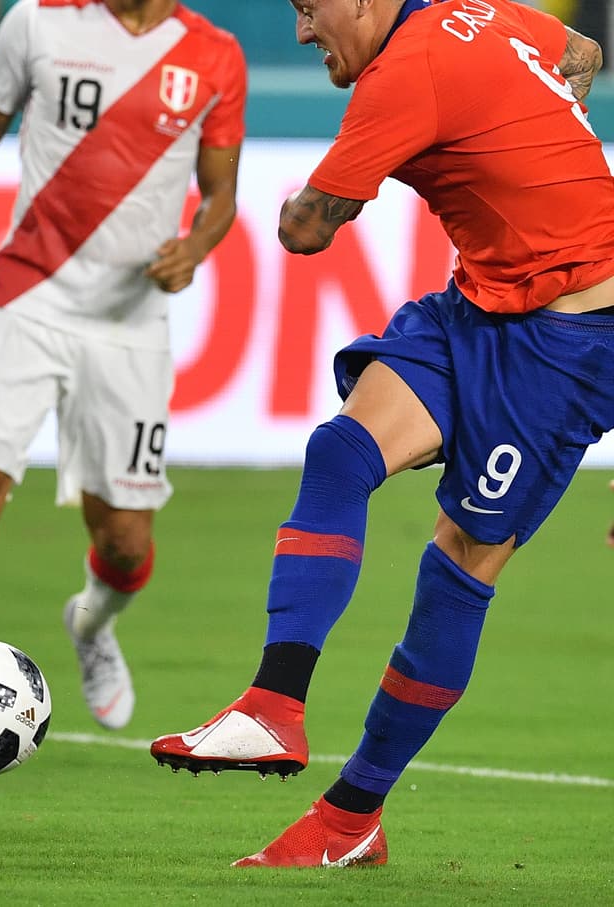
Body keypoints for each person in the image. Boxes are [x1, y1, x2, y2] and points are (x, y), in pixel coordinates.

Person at [151, 0, 614, 868]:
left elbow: (304, 230)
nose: (300, 31)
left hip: (570, 343)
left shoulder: (404, 72)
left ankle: (350, 816)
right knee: (341, 449)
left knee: (458, 567)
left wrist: (353, 174)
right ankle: (270, 705)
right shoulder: (480, 13)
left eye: (308, 8)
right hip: (480, 301)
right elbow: (581, 52)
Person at [0, 0, 246, 749]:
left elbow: (222, 195)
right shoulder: (36, 21)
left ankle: (91, 622)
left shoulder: (214, 56)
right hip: (25, 294)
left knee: (124, 539)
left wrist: (194, 247)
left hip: (130, 322)